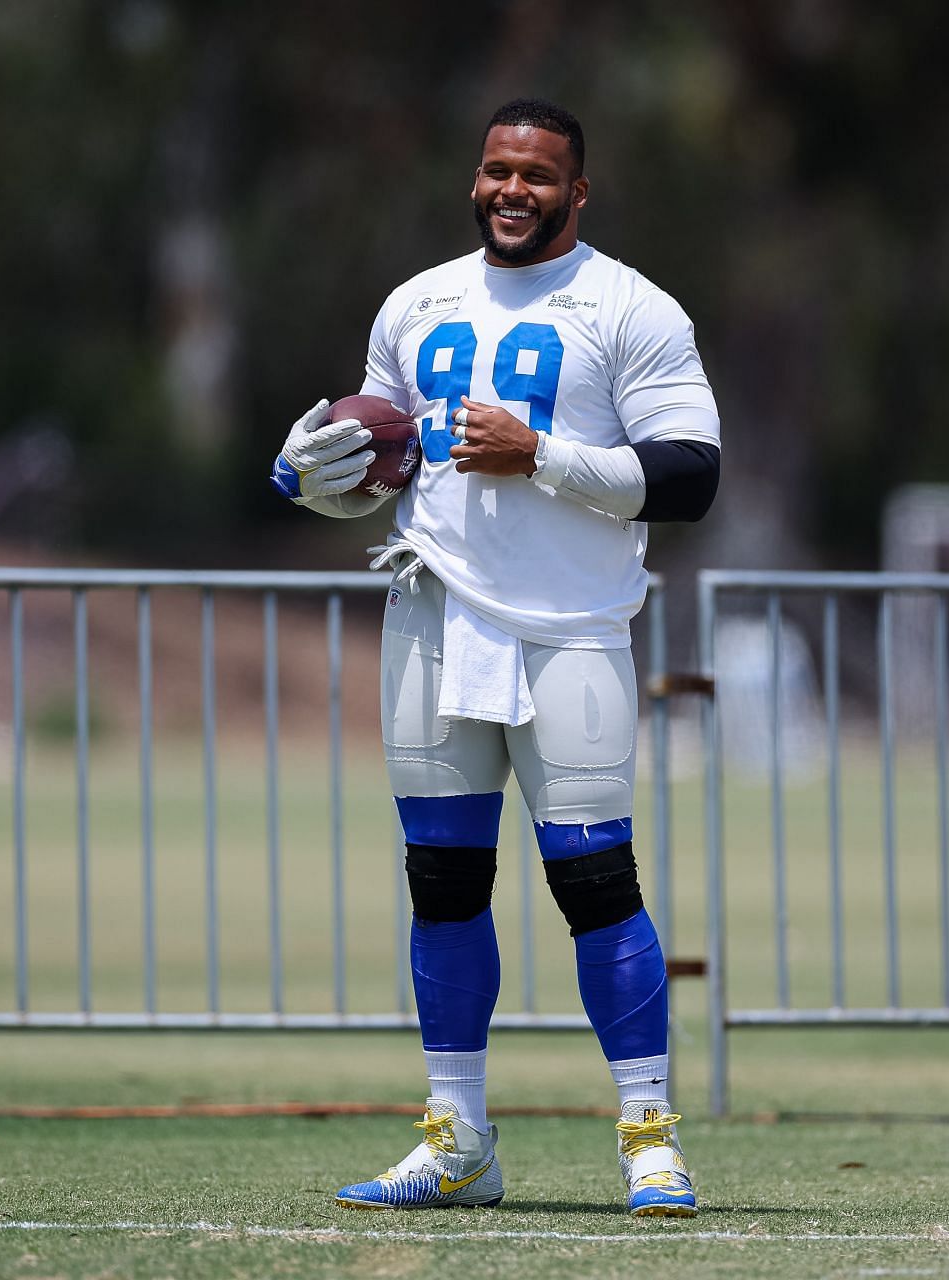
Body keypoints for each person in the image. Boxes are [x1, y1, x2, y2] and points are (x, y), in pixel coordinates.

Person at [271, 98, 720, 1217]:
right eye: (495, 171)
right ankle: (458, 1136)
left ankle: (650, 1135)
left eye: (536, 175)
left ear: (578, 190)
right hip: (432, 621)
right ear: (476, 179)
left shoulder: (632, 306)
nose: (511, 190)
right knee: (443, 886)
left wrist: (547, 456)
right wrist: (308, 473)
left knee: (597, 884)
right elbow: (385, 463)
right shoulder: (416, 302)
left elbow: (694, 475)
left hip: (571, 632)